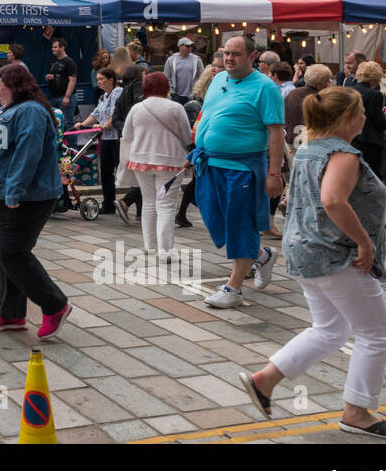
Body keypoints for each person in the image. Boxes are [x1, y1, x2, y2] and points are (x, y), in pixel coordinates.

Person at [238, 87, 386, 438]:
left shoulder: (311, 148)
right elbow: (332, 200)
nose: (365, 117)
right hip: (335, 254)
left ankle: (264, 380)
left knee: (331, 329)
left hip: (306, 250)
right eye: (360, 112)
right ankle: (357, 412)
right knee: (376, 334)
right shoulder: (343, 155)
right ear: (346, 119)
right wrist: (363, 243)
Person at [0, 63, 71, 338]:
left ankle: (55, 305)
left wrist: (14, 191)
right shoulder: (6, 110)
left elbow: (28, 153)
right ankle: (12, 313)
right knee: (3, 256)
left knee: (12, 253)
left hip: (21, 199)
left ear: (15, 84)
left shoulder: (31, 111)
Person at [190, 35, 284, 309]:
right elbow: (208, 114)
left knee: (239, 224)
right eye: (225, 53)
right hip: (210, 163)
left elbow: (276, 132)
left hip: (242, 168)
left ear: (252, 57)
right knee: (215, 219)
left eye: (236, 54)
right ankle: (262, 255)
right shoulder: (218, 79)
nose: (229, 58)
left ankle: (234, 288)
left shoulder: (266, 88)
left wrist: (274, 173)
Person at [120, 72, 192, 259]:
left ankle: (150, 246)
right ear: (166, 87)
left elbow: (126, 136)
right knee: (166, 205)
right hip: (170, 162)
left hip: (141, 160)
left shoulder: (137, 108)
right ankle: (165, 250)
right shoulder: (176, 108)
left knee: (149, 201)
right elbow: (187, 136)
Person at [176, 65, 223, 229]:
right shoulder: (196, 104)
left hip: (202, 149)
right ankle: (182, 213)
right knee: (199, 182)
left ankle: (181, 214)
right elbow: (195, 131)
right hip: (201, 149)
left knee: (197, 182)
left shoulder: (204, 102)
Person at [112, 64, 147, 221]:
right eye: (145, 73)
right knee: (145, 176)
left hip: (126, 139)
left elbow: (115, 119)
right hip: (140, 136)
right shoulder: (139, 85)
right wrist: (132, 124)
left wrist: (124, 129)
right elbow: (138, 105)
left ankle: (140, 213)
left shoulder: (122, 93)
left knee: (138, 175)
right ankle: (126, 202)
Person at [88, 67, 122, 218]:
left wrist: (104, 125)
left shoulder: (117, 92)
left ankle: (136, 201)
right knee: (106, 172)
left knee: (121, 171)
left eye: (102, 79)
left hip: (116, 138)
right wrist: (82, 124)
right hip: (106, 138)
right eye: (98, 79)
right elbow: (95, 114)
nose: (99, 82)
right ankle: (108, 204)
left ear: (110, 80)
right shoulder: (103, 96)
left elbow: (115, 114)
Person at [352, 61, 386, 180]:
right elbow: (379, 121)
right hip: (371, 140)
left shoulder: (351, 90)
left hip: (354, 138)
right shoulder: (375, 95)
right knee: (373, 174)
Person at [285, 63, 333, 146]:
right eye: (327, 80)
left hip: (290, 139)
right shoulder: (318, 98)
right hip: (308, 143)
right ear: (319, 84)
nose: (330, 82)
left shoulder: (293, 93)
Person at [163, 37, 203, 106]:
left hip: (192, 95)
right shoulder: (171, 60)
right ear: (180, 47)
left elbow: (202, 76)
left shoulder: (196, 60)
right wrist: (171, 91)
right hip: (176, 95)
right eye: (187, 46)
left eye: (191, 46)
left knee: (191, 115)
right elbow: (166, 77)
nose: (190, 48)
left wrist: (197, 91)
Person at [45, 38, 78, 113]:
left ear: (62, 48)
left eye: (55, 47)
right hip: (53, 97)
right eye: (52, 47)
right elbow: (49, 76)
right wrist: (47, 77)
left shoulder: (69, 62)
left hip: (65, 98)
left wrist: (67, 97)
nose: (52, 49)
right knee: (56, 123)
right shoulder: (53, 61)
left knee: (66, 123)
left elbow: (72, 80)